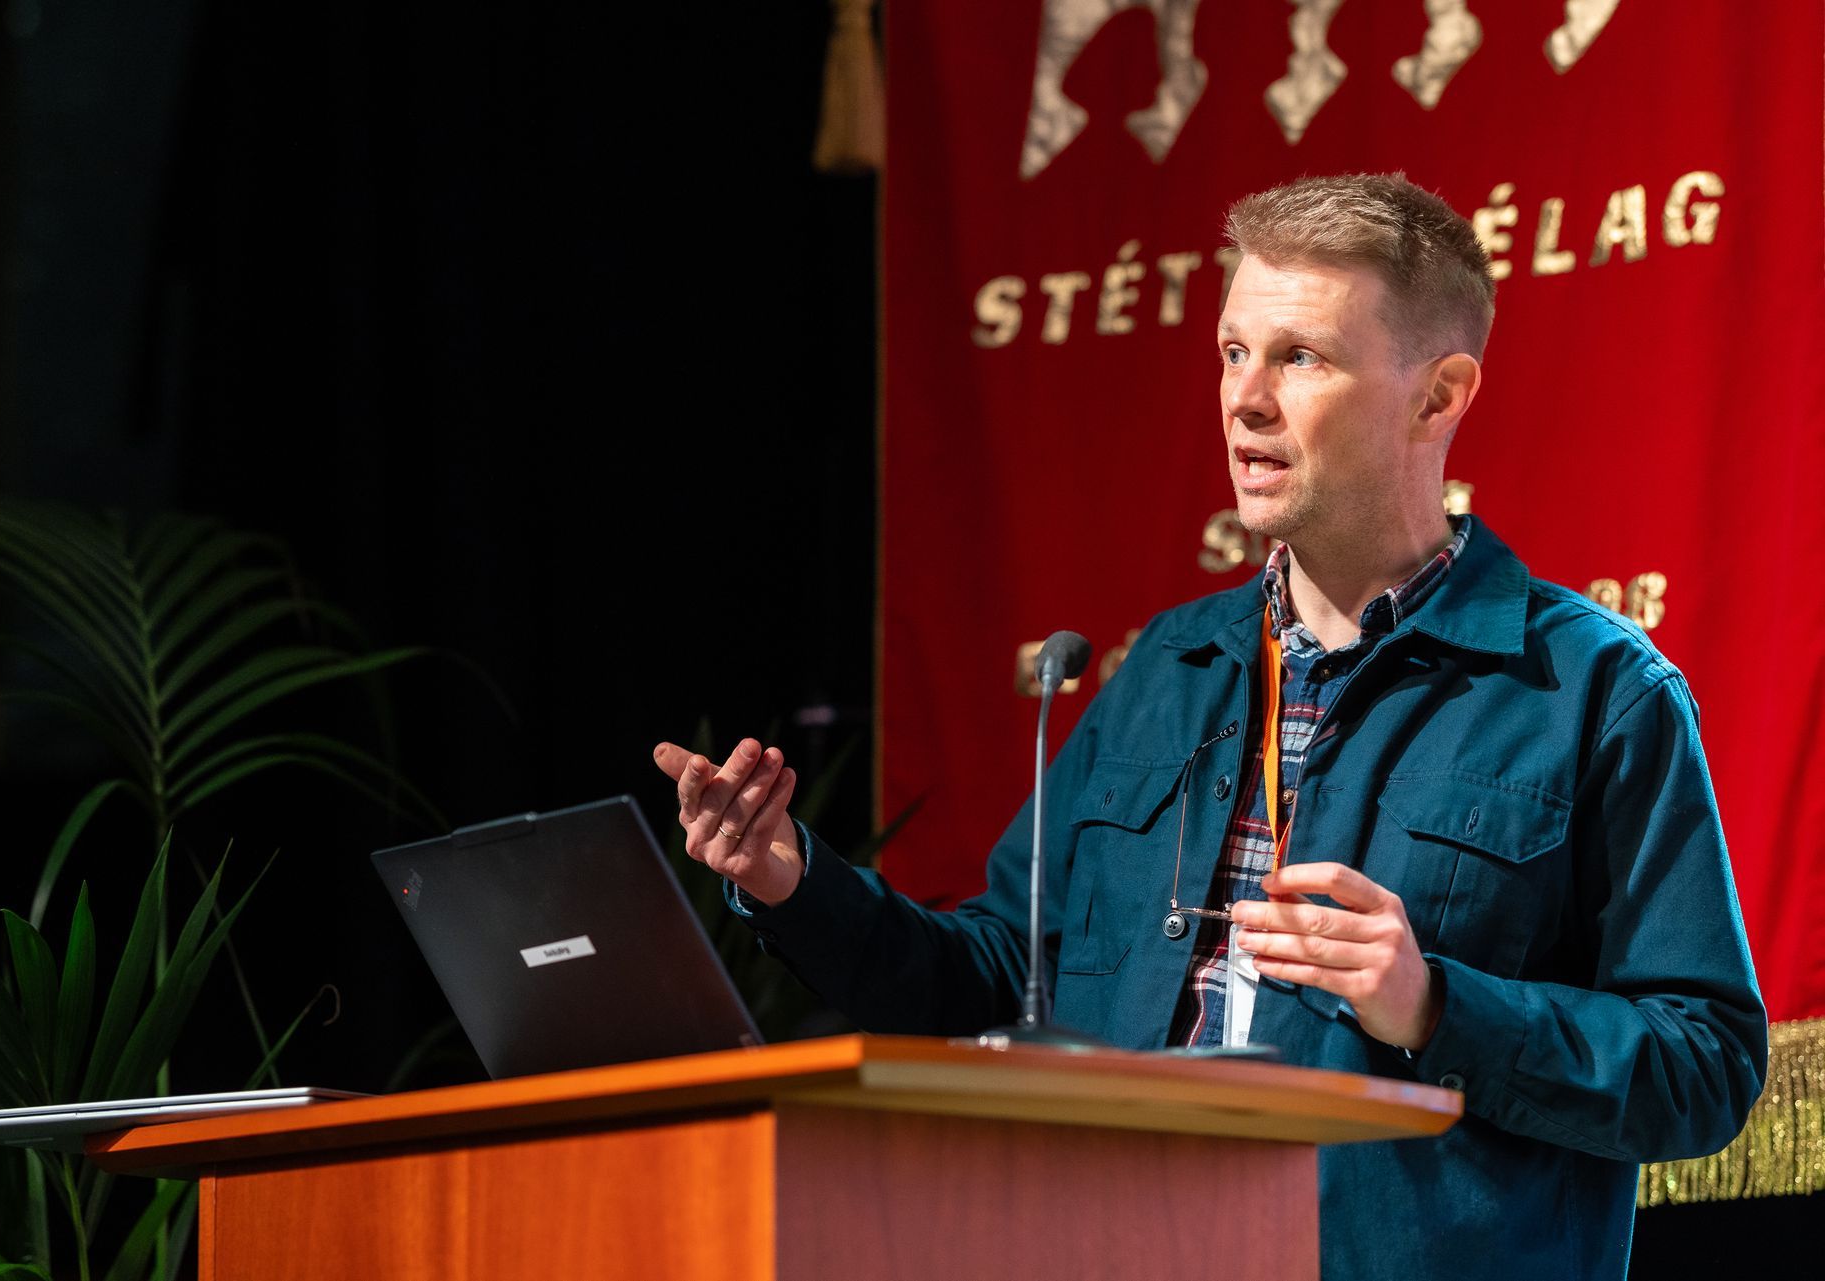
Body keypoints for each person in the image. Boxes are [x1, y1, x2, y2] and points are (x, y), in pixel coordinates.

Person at [652, 173, 1766, 1280]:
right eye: (1235, 352)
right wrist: (795, 881)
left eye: (1301, 357)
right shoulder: (1168, 669)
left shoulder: (1593, 692)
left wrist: (1437, 1006)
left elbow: (1705, 1067)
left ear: (1438, 397)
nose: (1245, 400)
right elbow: (997, 981)